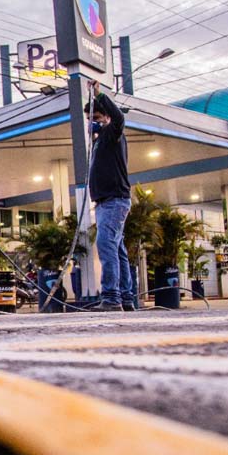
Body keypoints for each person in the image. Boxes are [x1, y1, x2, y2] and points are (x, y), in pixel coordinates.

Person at [85, 81, 134, 312]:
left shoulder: (113, 134)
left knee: (106, 244)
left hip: (114, 200)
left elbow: (119, 119)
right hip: (106, 202)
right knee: (117, 249)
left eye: (95, 117)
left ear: (106, 117)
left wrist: (99, 95)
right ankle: (126, 297)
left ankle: (112, 297)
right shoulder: (99, 142)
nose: (92, 122)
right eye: (89, 119)